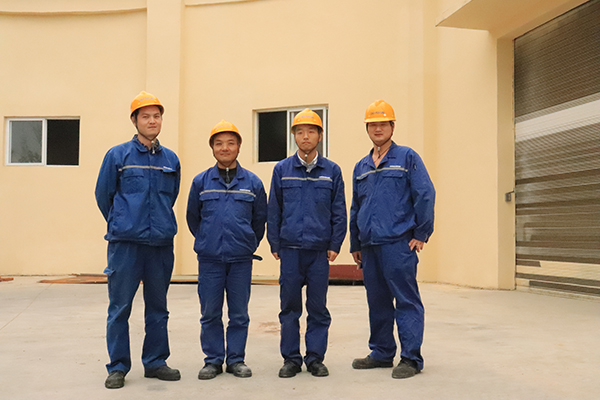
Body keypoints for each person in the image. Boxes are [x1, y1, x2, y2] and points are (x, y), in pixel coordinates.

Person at [95, 91, 181, 389]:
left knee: (158, 307)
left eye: (156, 116)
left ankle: (155, 362)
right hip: (125, 245)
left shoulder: (171, 159)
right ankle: (118, 366)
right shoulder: (117, 156)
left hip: (160, 245)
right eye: (145, 116)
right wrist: (123, 222)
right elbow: (103, 195)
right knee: (120, 307)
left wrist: (158, 224)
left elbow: (171, 197)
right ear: (134, 121)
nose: (152, 121)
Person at [350, 100, 435, 379]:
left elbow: (425, 194)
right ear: (367, 128)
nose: (378, 129)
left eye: (383, 124)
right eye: (372, 124)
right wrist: (355, 243)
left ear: (392, 126)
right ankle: (382, 352)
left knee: (406, 300)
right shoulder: (361, 166)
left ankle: (411, 358)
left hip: (398, 243)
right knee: (377, 301)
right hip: (370, 246)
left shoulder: (407, 157)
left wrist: (421, 233)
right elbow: (356, 206)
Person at [267, 109, 347, 378]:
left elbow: (339, 210)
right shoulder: (282, 170)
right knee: (289, 308)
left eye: (311, 131)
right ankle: (291, 359)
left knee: (318, 308)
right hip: (290, 250)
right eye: (300, 132)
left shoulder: (332, 171)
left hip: (318, 252)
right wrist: (274, 243)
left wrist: (335, 243)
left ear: (320, 136)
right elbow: (274, 209)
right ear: (294, 136)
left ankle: (315, 358)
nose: (305, 137)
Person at [186, 120, 267, 380]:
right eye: (219, 143)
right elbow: (193, 218)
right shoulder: (201, 182)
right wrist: (207, 240)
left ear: (239, 147)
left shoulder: (252, 183)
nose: (225, 148)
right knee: (210, 313)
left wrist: (247, 243)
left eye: (231, 143)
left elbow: (260, 220)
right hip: (210, 260)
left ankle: (236, 360)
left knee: (239, 314)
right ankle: (212, 360)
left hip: (241, 260)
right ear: (212, 148)